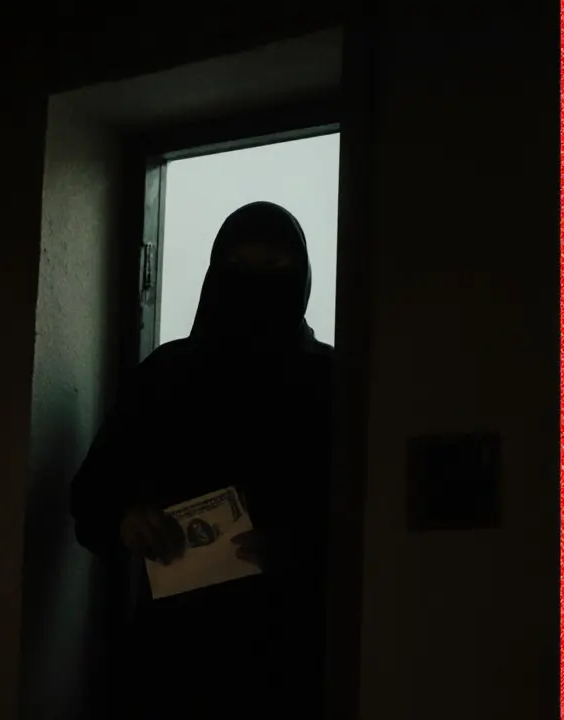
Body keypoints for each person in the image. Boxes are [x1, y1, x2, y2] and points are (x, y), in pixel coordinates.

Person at [70, 201, 335, 718]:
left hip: (295, 652)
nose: (256, 284)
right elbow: (93, 493)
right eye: (239, 268)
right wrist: (125, 521)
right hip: (173, 650)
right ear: (216, 273)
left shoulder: (333, 383)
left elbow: (374, 517)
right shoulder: (164, 375)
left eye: (274, 268)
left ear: (300, 277)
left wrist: (303, 549)